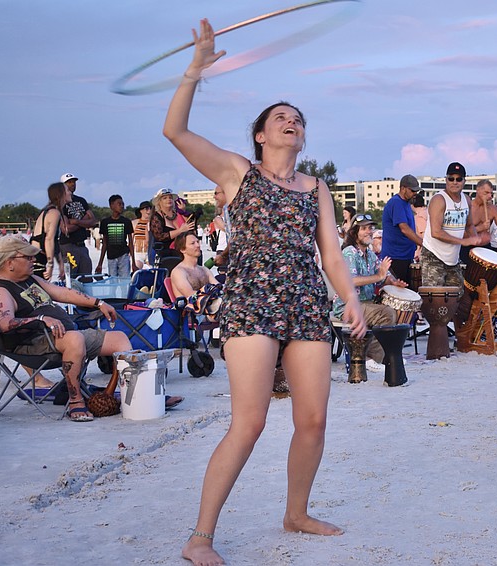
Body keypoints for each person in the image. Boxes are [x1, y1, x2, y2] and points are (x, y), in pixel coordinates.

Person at [162, 18, 366, 564]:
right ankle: (200, 537)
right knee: (249, 422)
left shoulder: (316, 186)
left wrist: (347, 296)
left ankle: (296, 512)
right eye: (281, 118)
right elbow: (175, 132)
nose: (291, 123)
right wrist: (195, 69)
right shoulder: (236, 172)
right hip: (252, 300)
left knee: (314, 419)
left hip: (305, 301)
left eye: (298, 120)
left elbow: (331, 255)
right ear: (260, 133)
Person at [0, 235, 133, 422]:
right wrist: (41, 318)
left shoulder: (31, 279)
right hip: (31, 344)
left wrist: (99, 303)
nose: (33, 260)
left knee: (119, 338)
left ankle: (127, 395)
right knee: (74, 339)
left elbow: (63, 293)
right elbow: (6, 324)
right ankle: (75, 400)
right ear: (10, 262)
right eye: (27, 257)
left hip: (62, 336)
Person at [333, 216, 405, 372]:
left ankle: (388, 355)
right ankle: (371, 358)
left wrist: (392, 282)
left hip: (366, 303)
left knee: (394, 309)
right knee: (386, 314)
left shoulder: (370, 255)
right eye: (364, 228)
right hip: (348, 306)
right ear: (354, 232)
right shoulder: (349, 253)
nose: (369, 232)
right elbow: (351, 281)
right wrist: (379, 276)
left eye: (371, 228)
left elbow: (381, 279)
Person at [420, 162, 482, 288]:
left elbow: (469, 225)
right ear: (446, 180)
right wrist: (462, 241)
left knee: (457, 296)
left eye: (458, 179)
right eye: (451, 178)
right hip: (433, 256)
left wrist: (476, 245)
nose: (455, 182)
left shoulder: (466, 200)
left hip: (453, 259)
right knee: (434, 299)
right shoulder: (439, 200)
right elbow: (436, 232)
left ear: (464, 181)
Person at [380, 174, 422, 286]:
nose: (415, 194)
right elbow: (404, 229)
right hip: (396, 257)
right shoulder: (396, 202)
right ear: (403, 188)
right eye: (412, 190)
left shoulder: (406, 204)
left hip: (405, 256)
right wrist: (424, 243)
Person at [58, 173, 97, 276]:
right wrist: (84, 220)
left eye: (74, 182)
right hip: (68, 245)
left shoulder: (81, 200)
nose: (72, 184)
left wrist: (76, 221)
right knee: (70, 278)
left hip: (82, 245)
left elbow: (93, 221)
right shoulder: (61, 203)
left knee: (86, 277)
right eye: (69, 182)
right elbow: (66, 228)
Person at [30, 182, 69, 282]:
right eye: (67, 190)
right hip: (37, 261)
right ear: (60, 194)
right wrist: (50, 265)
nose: (70, 193)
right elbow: (49, 239)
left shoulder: (51, 211)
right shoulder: (54, 213)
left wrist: (60, 264)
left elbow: (54, 241)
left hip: (37, 258)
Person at [149, 188, 196, 259]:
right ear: (159, 202)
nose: (169, 200)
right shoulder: (157, 217)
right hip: (166, 254)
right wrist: (180, 230)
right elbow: (159, 236)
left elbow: (191, 229)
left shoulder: (178, 214)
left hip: (183, 252)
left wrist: (183, 212)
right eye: (165, 198)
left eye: (170, 198)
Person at [95, 195, 135, 277]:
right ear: (111, 206)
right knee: (112, 281)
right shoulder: (105, 222)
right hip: (111, 257)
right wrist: (100, 264)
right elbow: (105, 244)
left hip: (123, 256)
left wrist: (133, 263)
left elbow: (130, 242)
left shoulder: (126, 222)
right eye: (119, 204)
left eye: (123, 204)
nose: (122, 206)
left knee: (124, 282)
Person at [132, 201, 153, 269]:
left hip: (149, 251)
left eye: (150, 208)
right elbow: (131, 238)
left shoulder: (153, 223)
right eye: (146, 208)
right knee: (137, 272)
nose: (149, 211)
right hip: (138, 252)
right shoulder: (134, 223)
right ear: (141, 211)